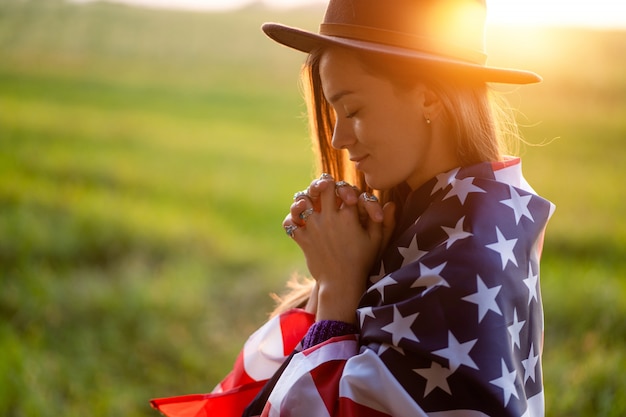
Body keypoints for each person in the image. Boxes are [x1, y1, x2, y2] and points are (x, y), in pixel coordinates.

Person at [151, 0, 555, 416]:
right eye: (334, 112)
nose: (338, 138)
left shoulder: (468, 255)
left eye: (354, 110)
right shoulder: (453, 214)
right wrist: (328, 281)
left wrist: (339, 290)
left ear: (430, 98)